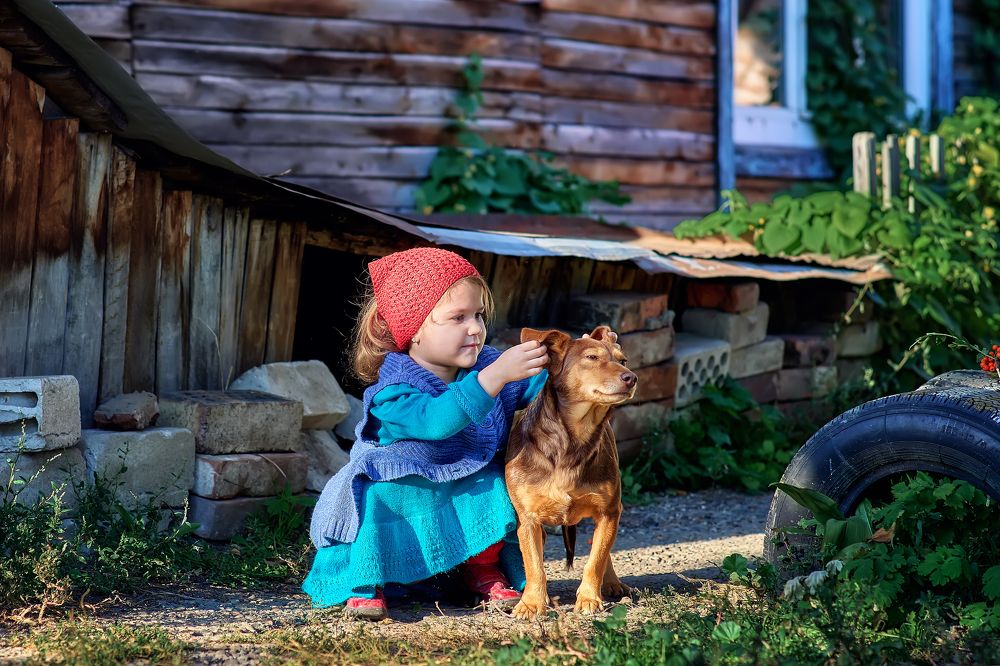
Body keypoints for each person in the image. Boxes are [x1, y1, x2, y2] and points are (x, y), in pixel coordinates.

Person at [304, 247, 549, 620]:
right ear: (414, 330)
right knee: (379, 498)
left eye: (479, 315)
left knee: (495, 484)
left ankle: (480, 568)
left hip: (461, 478)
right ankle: (367, 581)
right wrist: (497, 375)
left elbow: (539, 388)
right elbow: (436, 421)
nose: (475, 328)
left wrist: (575, 359)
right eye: (458, 317)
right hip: (401, 485)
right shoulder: (393, 390)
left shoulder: (485, 364)